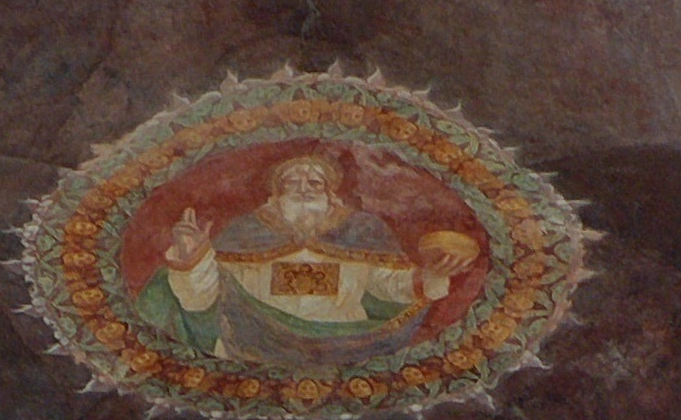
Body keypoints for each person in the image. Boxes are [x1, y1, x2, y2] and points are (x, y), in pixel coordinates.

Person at [134, 151, 474, 369]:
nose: (304, 188)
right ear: (275, 194)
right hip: (253, 350)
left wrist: (428, 276)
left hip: (347, 347)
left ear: (331, 194)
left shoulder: (360, 229)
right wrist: (193, 258)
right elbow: (205, 299)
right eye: (292, 182)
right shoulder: (247, 231)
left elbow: (388, 286)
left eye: (315, 182)